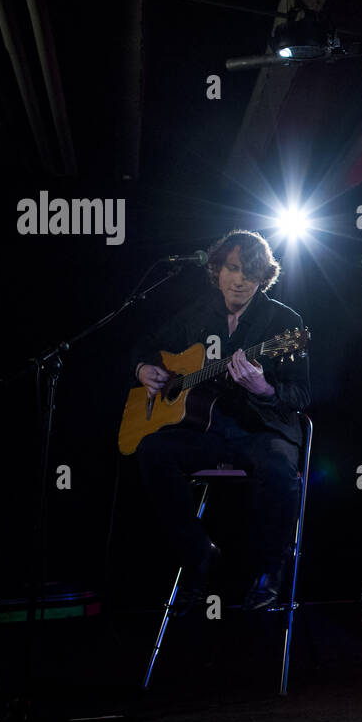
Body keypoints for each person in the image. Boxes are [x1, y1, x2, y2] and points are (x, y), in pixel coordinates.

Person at [131, 229, 310, 614]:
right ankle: (199, 554)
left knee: (280, 470)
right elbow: (146, 341)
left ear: (264, 278)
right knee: (151, 451)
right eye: (232, 269)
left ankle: (267, 576)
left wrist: (264, 389)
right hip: (211, 430)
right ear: (217, 271)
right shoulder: (200, 313)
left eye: (250, 273)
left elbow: (301, 395)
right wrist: (144, 367)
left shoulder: (284, 323)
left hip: (264, 431)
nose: (240, 279)